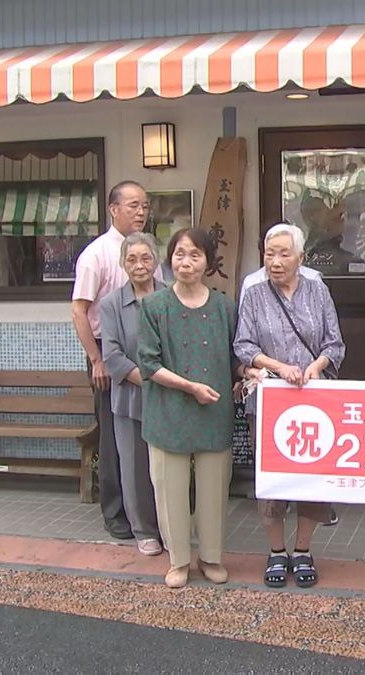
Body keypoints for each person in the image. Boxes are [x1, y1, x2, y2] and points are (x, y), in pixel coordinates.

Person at [234, 223, 345, 589]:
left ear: (301, 257)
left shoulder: (318, 290)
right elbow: (243, 344)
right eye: (270, 253)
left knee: (312, 478)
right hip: (270, 400)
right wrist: (279, 367)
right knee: (272, 478)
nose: (276, 261)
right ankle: (277, 551)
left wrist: (315, 367)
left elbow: (335, 343)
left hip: (315, 400)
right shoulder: (254, 291)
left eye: (284, 254)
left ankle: (303, 549)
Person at [138, 228, 240, 588]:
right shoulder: (153, 307)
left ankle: (211, 557)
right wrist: (189, 387)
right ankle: (178, 560)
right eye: (180, 254)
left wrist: (250, 371)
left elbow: (234, 357)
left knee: (214, 490)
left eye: (195, 255)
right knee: (170, 489)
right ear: (170, 259)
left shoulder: (225, 306)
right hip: (168, 411)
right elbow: (148, 364)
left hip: (214, 411)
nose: (186, 262)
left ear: (209, 262)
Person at [71, 180, 157, 539]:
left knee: (145, 438)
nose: (141, 212)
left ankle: (150, 513)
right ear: (113, 209)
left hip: (149, 355)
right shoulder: (97, 254)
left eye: (145, 206)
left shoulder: (149, 250)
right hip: (110, 352)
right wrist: (97, 359)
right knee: (113, 438)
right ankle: (115, 512)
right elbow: (79, 311)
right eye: (133, 205)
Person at [98, 232, 164, 557]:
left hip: (169, 398)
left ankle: (169, 526)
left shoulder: (171, 296)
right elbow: (111, 355)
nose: (139, 266)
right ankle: (144, 530)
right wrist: (150, 380)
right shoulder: (111, 303)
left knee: (168, 466)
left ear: (156, 261)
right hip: (131, 397)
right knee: (135, 468)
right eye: (132, 259)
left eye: (146, 258)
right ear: (123, 264)